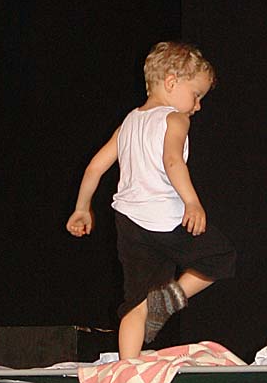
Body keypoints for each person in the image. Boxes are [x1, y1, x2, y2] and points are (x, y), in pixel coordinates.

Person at [66, 41, 235, 359]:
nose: (197, 106)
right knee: (220, 257)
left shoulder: (128, 123)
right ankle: (170, 299)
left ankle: (127, 369)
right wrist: (192, 202)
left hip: (129, 224)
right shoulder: (175, 119)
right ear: (171, 82)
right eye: (196, 95)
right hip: (166, 218)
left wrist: (81, 208)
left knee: (136, 303)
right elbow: (173, 161)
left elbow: (94, 167)